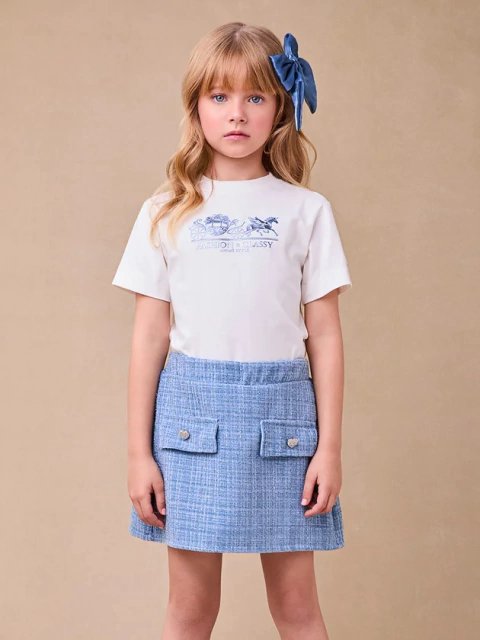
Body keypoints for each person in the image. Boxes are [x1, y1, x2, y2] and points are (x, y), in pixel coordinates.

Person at [112, 21, 353, 640]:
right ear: (196, 106)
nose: (237, 113)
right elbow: (149, 338)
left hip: (286, 429)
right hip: (191, 427)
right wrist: (139, 453)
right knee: (190, 611)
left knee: (297, 609)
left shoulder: (307, 212)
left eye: (255, 96)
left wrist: (329, 448)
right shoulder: (164, 211)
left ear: (281, 107)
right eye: (219, 96)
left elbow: (325, 336)